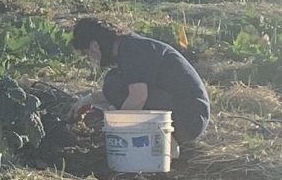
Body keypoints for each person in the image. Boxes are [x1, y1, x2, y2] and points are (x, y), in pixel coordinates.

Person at [71, 16, 212, 156]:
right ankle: (165, 140)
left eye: (87, 53)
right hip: (190, 113)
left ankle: (167, 144)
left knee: (114, 84)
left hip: (189, 117)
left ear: (94, 46)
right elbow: (128, 90)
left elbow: (138, 97)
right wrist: (88, 100)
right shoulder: (131, 47)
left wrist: (117, 130)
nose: (90, 58)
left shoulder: (132, 51)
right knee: (114, 83)